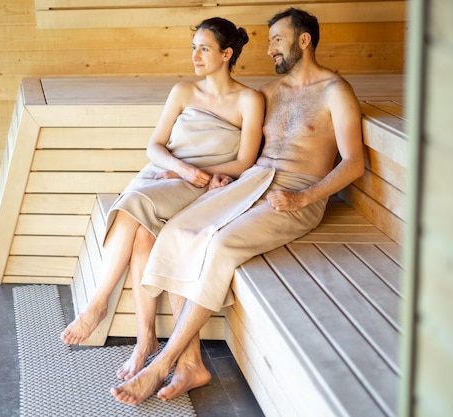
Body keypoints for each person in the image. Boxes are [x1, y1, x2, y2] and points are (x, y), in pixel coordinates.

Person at [111, 7, 365, 405]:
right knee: (180, 230)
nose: (270, 51)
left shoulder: (336, 92)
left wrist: (304, 197)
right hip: (252, 183)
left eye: (277, 41)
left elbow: (354, 163)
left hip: (296, 191)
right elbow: (236, 141)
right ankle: (191, 364)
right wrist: (201, 172)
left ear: (304, 40)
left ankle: (163, 363)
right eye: (269, 43)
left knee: (220, 244)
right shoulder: (268, 93)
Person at [60, 17, 265, 380]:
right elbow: (154, 146)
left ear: (226, 53)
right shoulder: (184, 91)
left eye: (204, 48)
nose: (196, 56)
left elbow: (246, 160)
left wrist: (198, 174)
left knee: (133, 205)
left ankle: (99, 306)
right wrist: (181, 169)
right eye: (194, 48)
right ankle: (145, 341)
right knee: (141, 231)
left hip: (201, 185)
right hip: (165, 176)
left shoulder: (249, 99)